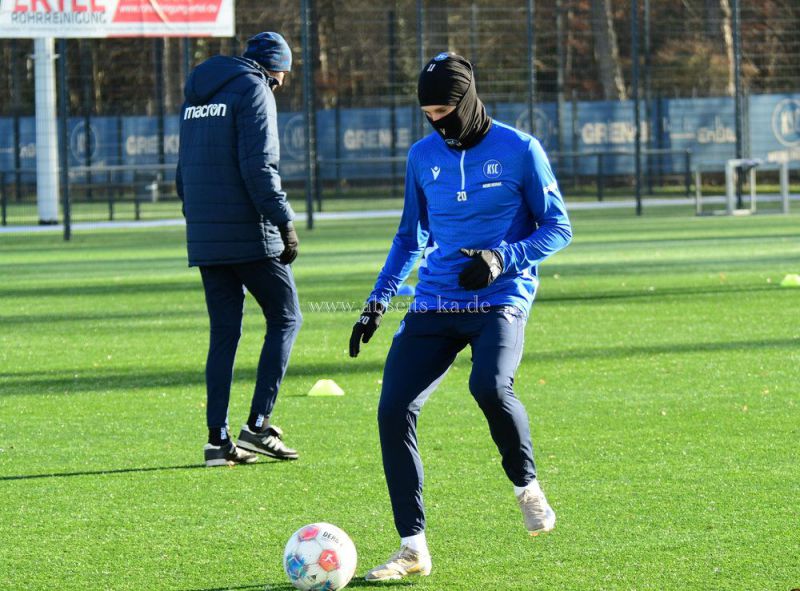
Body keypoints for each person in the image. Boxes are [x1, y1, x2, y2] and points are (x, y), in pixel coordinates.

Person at [349, 52, 572, 582]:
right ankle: (412, 548)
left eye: (445, 110)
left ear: (467, 101)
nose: (436, 122)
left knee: (490, 387)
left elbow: (558, 227)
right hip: (436, 302)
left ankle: (527, 487)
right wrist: (378, 300)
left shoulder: (520, 150)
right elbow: (411, 236)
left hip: (501, 299)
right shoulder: (422, 156)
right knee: (392, 409)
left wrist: (502, 259)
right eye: (427, 112)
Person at [176, 32, 302, 467]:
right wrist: (284, 220)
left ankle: (217, 442)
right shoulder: (255, 88)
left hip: (206, 235)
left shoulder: (196, 96)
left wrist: (199, 221)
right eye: (283, 74)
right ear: (273, 67)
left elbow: (182, 172)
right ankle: (258, 426)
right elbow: (258, 164)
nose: (282, 83)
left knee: (224, 335)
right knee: (287, 317)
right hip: (249, 231)